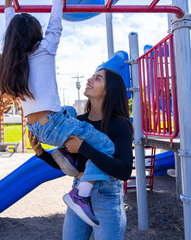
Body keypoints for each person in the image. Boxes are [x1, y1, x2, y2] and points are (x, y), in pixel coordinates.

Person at [0, 0, 120, 228]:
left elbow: (11, 27)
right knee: (106, 146)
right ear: (36, 35)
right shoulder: (45, 50)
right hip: (53, 125)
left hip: (37, 127)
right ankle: (81, 194)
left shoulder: (13, 61)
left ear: (12, 39)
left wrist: (8, 7)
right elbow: (56, 24)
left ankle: (66, 153)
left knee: (71, 112)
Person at [29, 68, 133, 239]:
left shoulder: (119, 125)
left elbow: (124, 171)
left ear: (109, 91)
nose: (89, 79)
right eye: (92, 76)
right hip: (77, 193)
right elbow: (71, 164)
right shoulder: (79, 122)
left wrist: (84, 147)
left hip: (107, 197)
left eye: (97, 78)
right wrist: (41, 153)